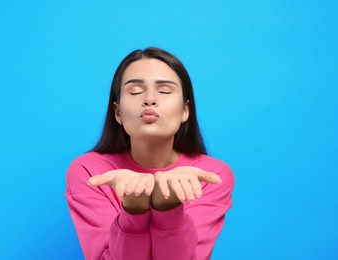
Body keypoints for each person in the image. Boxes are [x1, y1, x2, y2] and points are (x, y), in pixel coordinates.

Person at [65, 47, 234, 260]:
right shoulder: (90, 172)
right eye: (135, 91)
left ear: (185, 111)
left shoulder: (209, 175)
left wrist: (169, 206)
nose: (149, 100)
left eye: (164, 91)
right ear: (118, 113)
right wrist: (134, 208)